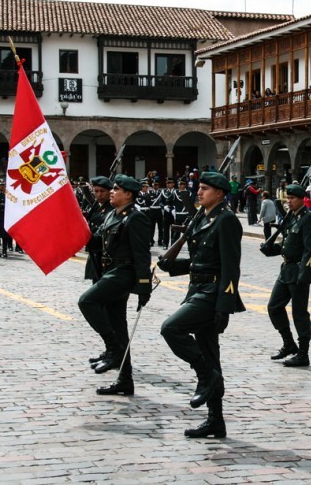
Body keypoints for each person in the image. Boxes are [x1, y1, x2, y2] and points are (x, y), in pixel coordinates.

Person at [158, 172, 245, 438]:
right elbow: (200, 261)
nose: (199, 192)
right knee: (210, 353)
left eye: (205, 188)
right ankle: (215, 420)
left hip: (212, 294)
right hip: (197, 289)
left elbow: (230, 267)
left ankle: (206, 375)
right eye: (199, 187)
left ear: (219, 193)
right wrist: (172, 266)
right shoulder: (203, 217)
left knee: (171, 328)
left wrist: (224, 306)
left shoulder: (226, 220)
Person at [77, 174, 152, 397]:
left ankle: (113, 348)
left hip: (123, 273)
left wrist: (144, 287)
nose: (111, 192)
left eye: (116, 189)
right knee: (119, 327)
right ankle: (125, 380)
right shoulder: (112, 214)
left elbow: (142, 256)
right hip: (110, 272)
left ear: (128, 194)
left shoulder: (136, 218)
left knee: (87, 301)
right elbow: (96, 242)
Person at [260, 184, 311, 367]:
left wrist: (305, 273)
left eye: (292, 198)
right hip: (286, 270)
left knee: (299, 313)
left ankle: (303, 353)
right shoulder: (291, 218)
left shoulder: (308, 219)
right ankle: (289, 343)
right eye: (288, 198)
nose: (289, 202)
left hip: (299, 271)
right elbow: (287, 245)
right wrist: (270, 249)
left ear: (302, 199)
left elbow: (310, 249)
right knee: (274, 307)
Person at [83, 176, 114, 283]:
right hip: (95, 253)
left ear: (110, 192)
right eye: (96, 191)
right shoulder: (97, 206)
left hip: (105, 255)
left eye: (102, 191)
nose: (99, 194)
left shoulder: (112, 208)